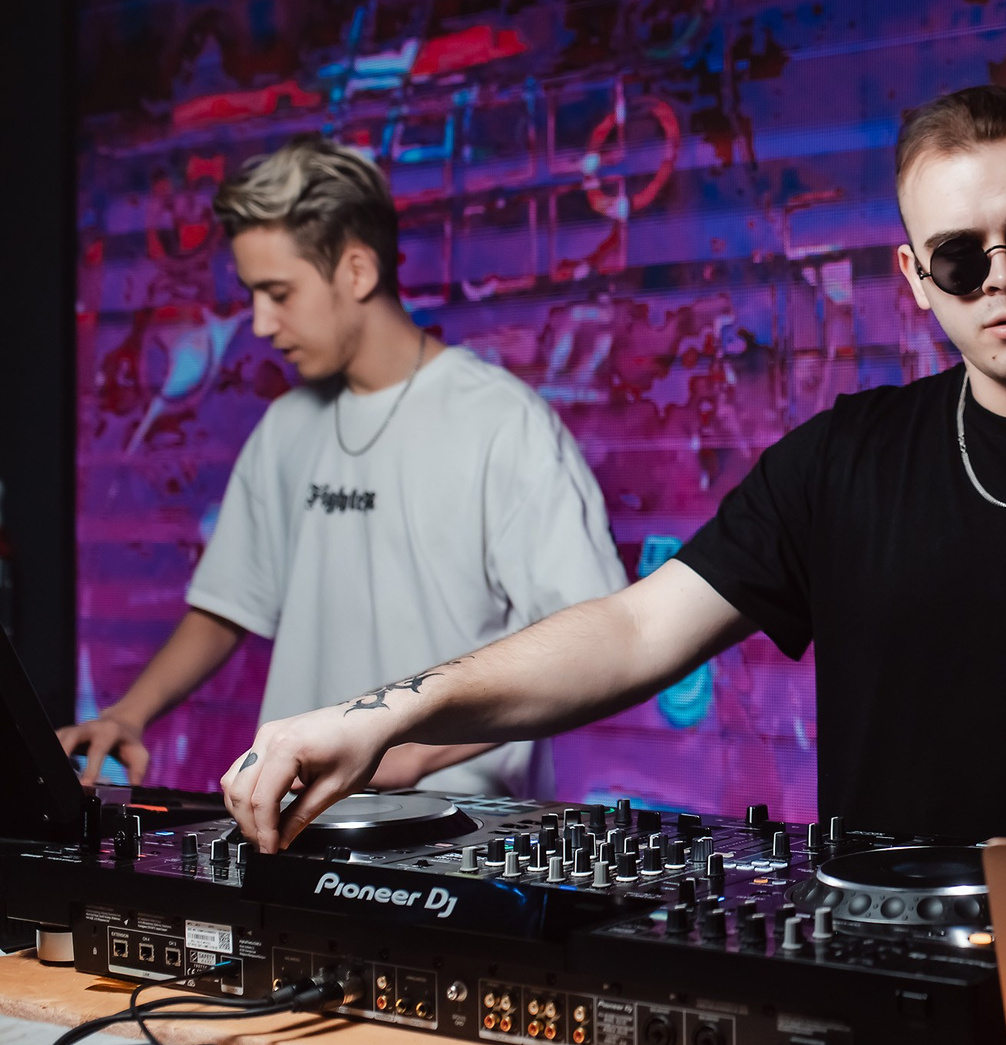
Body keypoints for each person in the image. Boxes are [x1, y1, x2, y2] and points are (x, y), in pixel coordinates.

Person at [220, 88, 1006, 854]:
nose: (1003, 278)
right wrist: (381, 713)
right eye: (960, 257)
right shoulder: (844, 457)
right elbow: (634, 631)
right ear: (915, 282)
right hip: (882, 975)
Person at [61, 136, 627, 797]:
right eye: (253, 295)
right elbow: (227, 605)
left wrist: (418, 751)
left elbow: (596, 650)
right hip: (292, 825)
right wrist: (128, 714)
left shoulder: (504, 424)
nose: (261, 324)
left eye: (278, 293)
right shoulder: (284, 427)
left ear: (356, 271)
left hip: (461, 834)